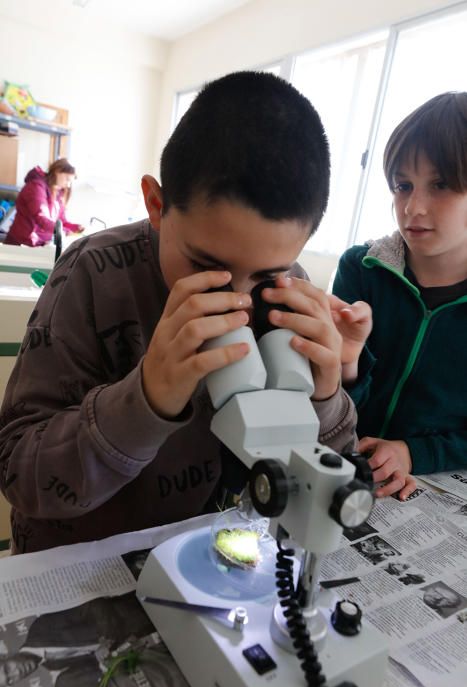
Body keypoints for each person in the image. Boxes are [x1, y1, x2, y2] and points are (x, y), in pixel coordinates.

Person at [0, 71, 357, 554]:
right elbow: (18, 470)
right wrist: (145, 398)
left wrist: (325, 397)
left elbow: (317, 478)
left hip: (205, 554)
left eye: (266, 275)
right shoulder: (92, 274)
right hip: (83, 559)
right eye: (208, 266)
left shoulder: (289, 289)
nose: (239, 300)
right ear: (156, 204)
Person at [331, 92, 467, 501]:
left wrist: (414, 453)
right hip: (341, 466)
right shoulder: (361, 269)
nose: (413, 208)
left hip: (432, 487)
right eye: (403, 186)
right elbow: (327, 403)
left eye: (440, 184)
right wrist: (346, 362)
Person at [4, 157, 84, 247]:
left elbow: (61, 221)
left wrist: (76, 228)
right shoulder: (35, 187)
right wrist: (65, 231)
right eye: (67, 179)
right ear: (57, 171)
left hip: (38, 243)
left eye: (70, 182)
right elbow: (41, 218)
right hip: (21, 243)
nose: (68, 185)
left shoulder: (56, 193)